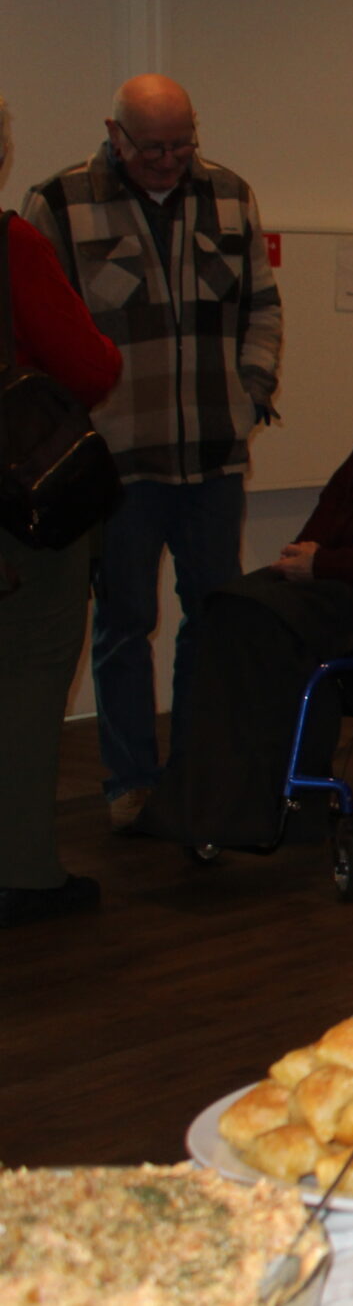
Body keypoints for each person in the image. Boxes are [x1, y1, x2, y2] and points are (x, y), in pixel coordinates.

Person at [20, 74, 280, 833]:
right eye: (154, 147)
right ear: (116, 133)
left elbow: (262, 305)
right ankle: (129, 781)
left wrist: (251, 389)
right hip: (118, 466)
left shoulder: (231, 194)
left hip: (212, 457)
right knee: (123, 625)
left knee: (213, 616)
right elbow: (39, 333)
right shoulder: (59, 204)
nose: (170, 161)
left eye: (182, 144)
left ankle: (197, 775)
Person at [135, 288, 353, 853]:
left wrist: (321, 562)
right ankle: (210, 805)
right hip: (335, 577)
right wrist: (306, 552)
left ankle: (265, 809)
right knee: (226, 605)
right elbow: (337, 497)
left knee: (255, 624)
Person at [0, 96, 123, 926]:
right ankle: (24, 869)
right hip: (17, 512)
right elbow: (88, 364)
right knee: (31, 681)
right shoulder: (10, 243)